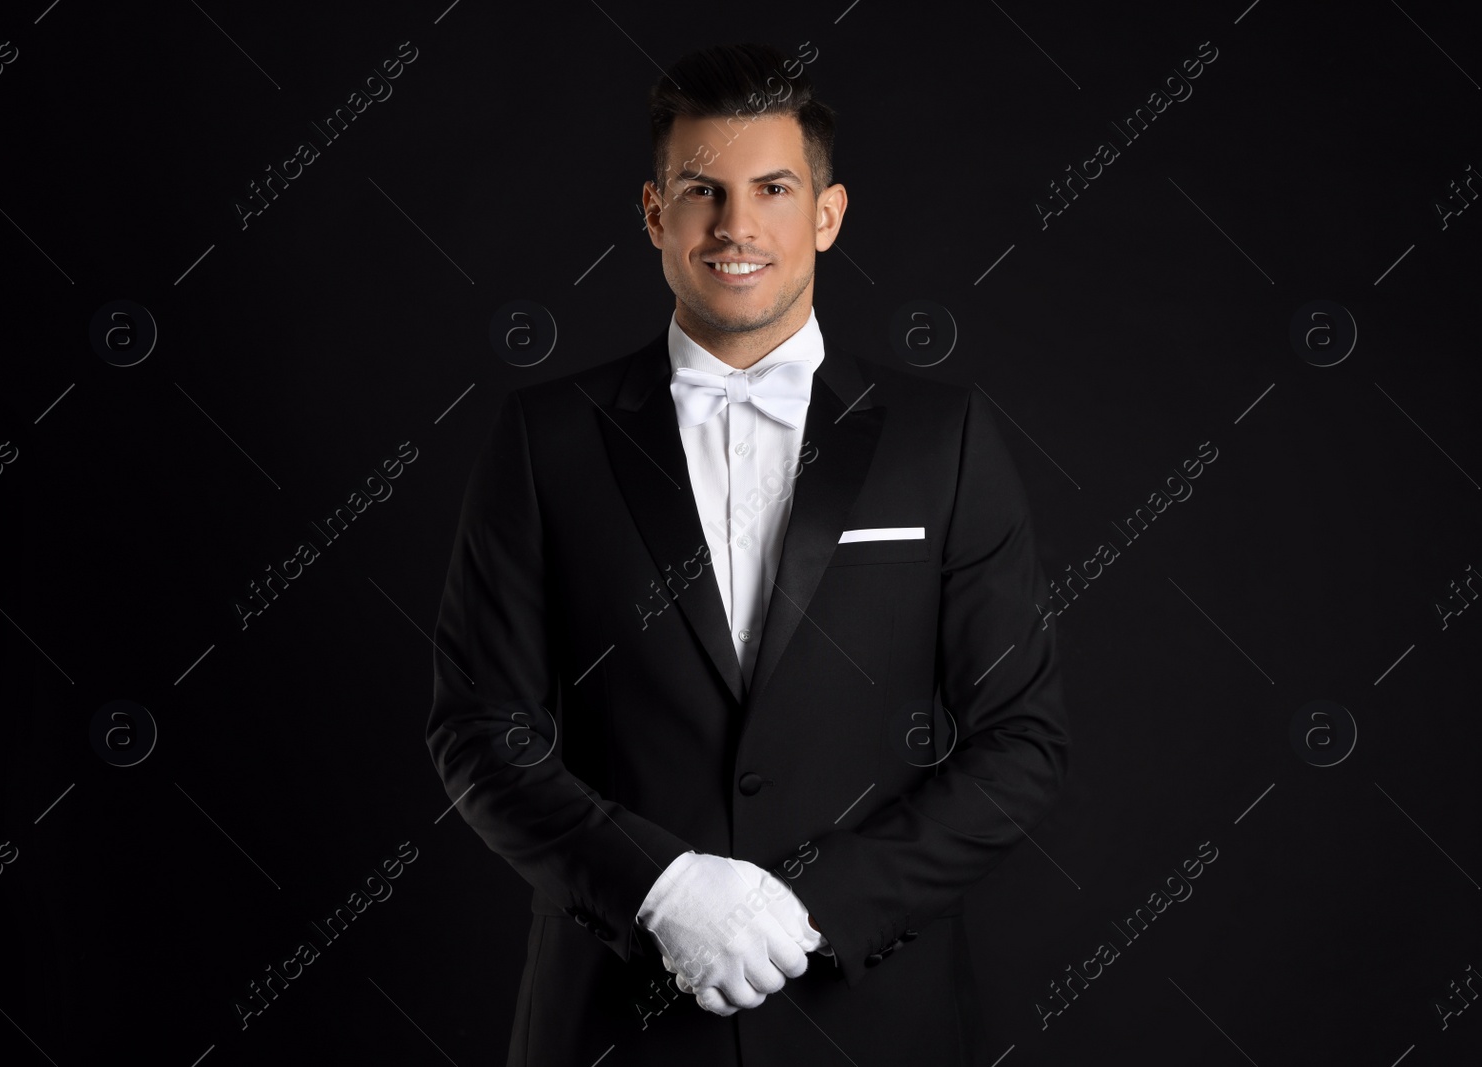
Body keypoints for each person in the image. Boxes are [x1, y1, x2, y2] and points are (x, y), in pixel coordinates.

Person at [426, 40, 1069, 1067]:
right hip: (611, 1018)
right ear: (654, 214)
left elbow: (1019, 741)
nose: (735, 225)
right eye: (701, 191)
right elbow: (478, 730)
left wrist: (814, 901)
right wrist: (662, 886)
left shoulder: (940, 437)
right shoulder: (545, 438)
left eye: (772, 187)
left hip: (871, 1018)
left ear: (826, 212)